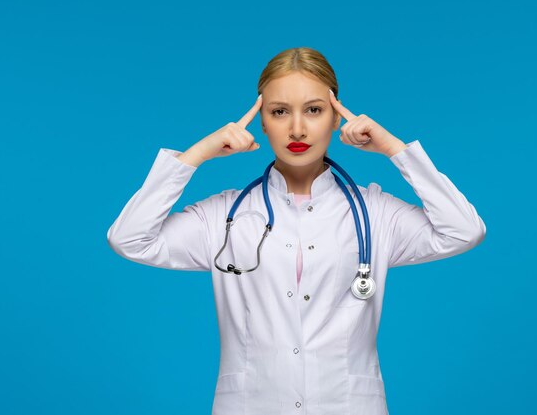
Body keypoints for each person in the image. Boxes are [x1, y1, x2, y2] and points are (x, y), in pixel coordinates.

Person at [107, 47, 486, 415]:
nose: (297, 128)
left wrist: (394, 149)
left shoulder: (375, 212)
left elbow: (463, 230)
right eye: (279, 111)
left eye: (314, 110)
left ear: (337, 117)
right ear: (262, 120)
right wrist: (198, 153)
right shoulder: (222, 216)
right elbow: (129, 239)